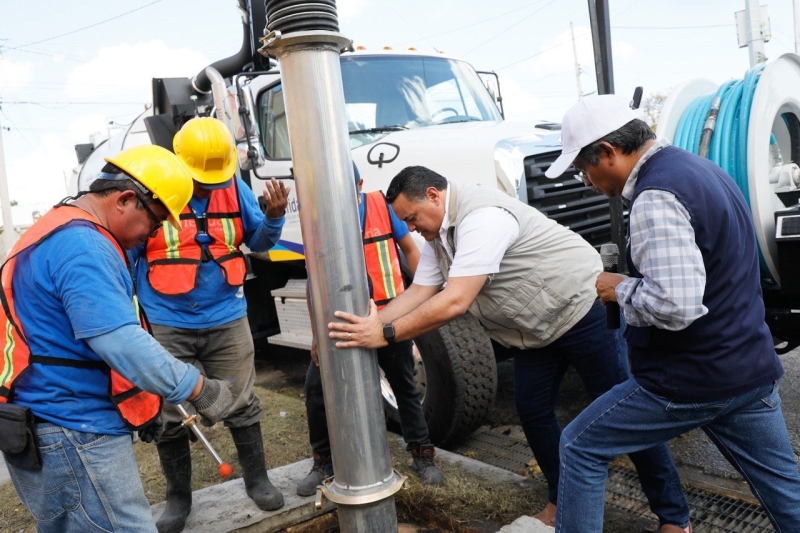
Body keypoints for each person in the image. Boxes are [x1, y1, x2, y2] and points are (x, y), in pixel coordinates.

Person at [326, 165, 691, 531]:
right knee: (532, 410)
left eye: (412, 218)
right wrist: (371, 326)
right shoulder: (440, 235)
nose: (413, 227)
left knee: (625, 414)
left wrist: (386, 333)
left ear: (435, 195)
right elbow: (419, 292)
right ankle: (560, 499)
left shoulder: (482, 218)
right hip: (534, 329)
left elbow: (455, 301)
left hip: (581, 308)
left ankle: (674, 517)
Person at [546, 94, 800, 533]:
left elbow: (677, 305)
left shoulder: (655, 196)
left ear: (607, 151)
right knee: (786, 493)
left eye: (582, 168)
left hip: (691, 378)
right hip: (748, 366)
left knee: (580, 447)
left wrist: (619, 287)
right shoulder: (703, 170)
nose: (584, 180)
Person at [0, 144, 235, 533]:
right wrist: (196, 388)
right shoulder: (84, 245)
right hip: (73, 432)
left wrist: (139, 403)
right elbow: (119, 342)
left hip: (44, 426)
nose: (151, 236)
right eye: (156, 223)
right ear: (127, 199)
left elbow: (70, 341)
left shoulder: (55, 229)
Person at [130, 117, 290, 533]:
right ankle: (178, 498)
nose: (207, 186)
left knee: (240, 399)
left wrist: (273, 219)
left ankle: (257, 480)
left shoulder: (233, 187)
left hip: (227, 317)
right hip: (167, 321)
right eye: (200, 178)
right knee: (170, 411)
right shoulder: (152, 191)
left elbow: (257, 243)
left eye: (213, 178)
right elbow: (129, 254)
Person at [296, 163, 444, 497]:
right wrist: (317, 336)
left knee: (404, 384)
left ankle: (422, 454)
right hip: (340, 322)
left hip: (388, 316)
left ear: (359, 184)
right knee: (316, 388)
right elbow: (312, 281)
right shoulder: (316, 221)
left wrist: (422, 299)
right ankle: (322, 462)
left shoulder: (380, 205)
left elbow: (410, 250)